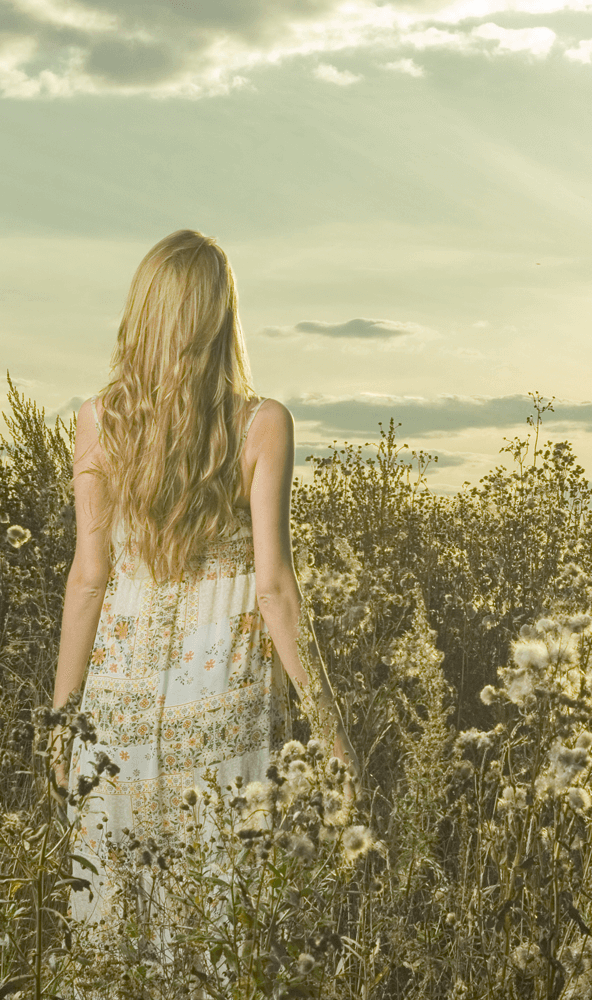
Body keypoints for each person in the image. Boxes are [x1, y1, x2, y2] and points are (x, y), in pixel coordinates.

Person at [47, 228, 359, 931]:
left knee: (117, 921)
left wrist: (62, 727)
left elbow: (88, 580)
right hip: (221, 689)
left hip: (117, 694)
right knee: (219, 915)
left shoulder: (99, 422)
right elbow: (276, 590)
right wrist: (330, 731)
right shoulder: (260, 425)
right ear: (220, 319)